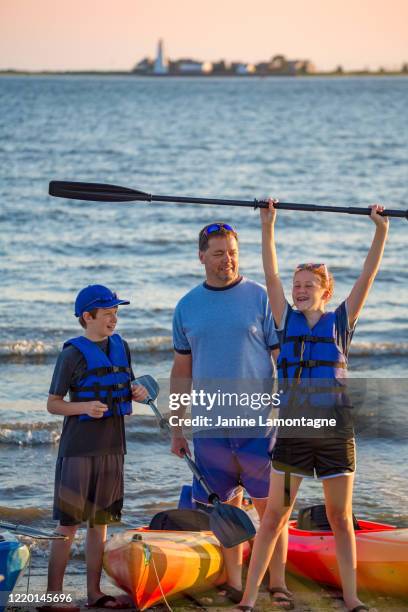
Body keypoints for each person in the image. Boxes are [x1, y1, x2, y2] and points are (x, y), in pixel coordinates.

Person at [234, 201, 389, 612]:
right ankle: (249, 600)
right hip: (295, 433)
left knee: (340, 519)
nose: (299, 289)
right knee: (274, 519)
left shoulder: (342, 321)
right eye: (296, 283)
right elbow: (269, 274)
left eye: (308, 284)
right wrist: (269, 225)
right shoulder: (285, 319)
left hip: (336, 433)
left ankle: (352, 599)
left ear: (326, 291)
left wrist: (381, 230)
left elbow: (368, 274)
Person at [170, 222, 294, 609]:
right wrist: (177, 425)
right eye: (220, 252)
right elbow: (181, 372)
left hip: (259, 424)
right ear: (202, 256)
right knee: (224, 509)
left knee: (271, 509)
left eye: (233, 252)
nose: (228, 259)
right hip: (209, 428)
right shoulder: (186, 306)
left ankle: (278, 581)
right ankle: (235, 581)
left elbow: (281, 358)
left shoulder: (259, 297)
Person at [44, 284, 148, 611]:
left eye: (116, 314)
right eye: (108, 314)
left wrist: (137, 391)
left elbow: (126, 383)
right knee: (69, 524)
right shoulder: (71, 354)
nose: (114, 320)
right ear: (87, 316)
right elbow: (53, 404)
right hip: (78, 449)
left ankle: (94, 593)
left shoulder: (122, 346)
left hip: (113, 445)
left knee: (100, 522)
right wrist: (84, 407)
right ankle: (52, 597)